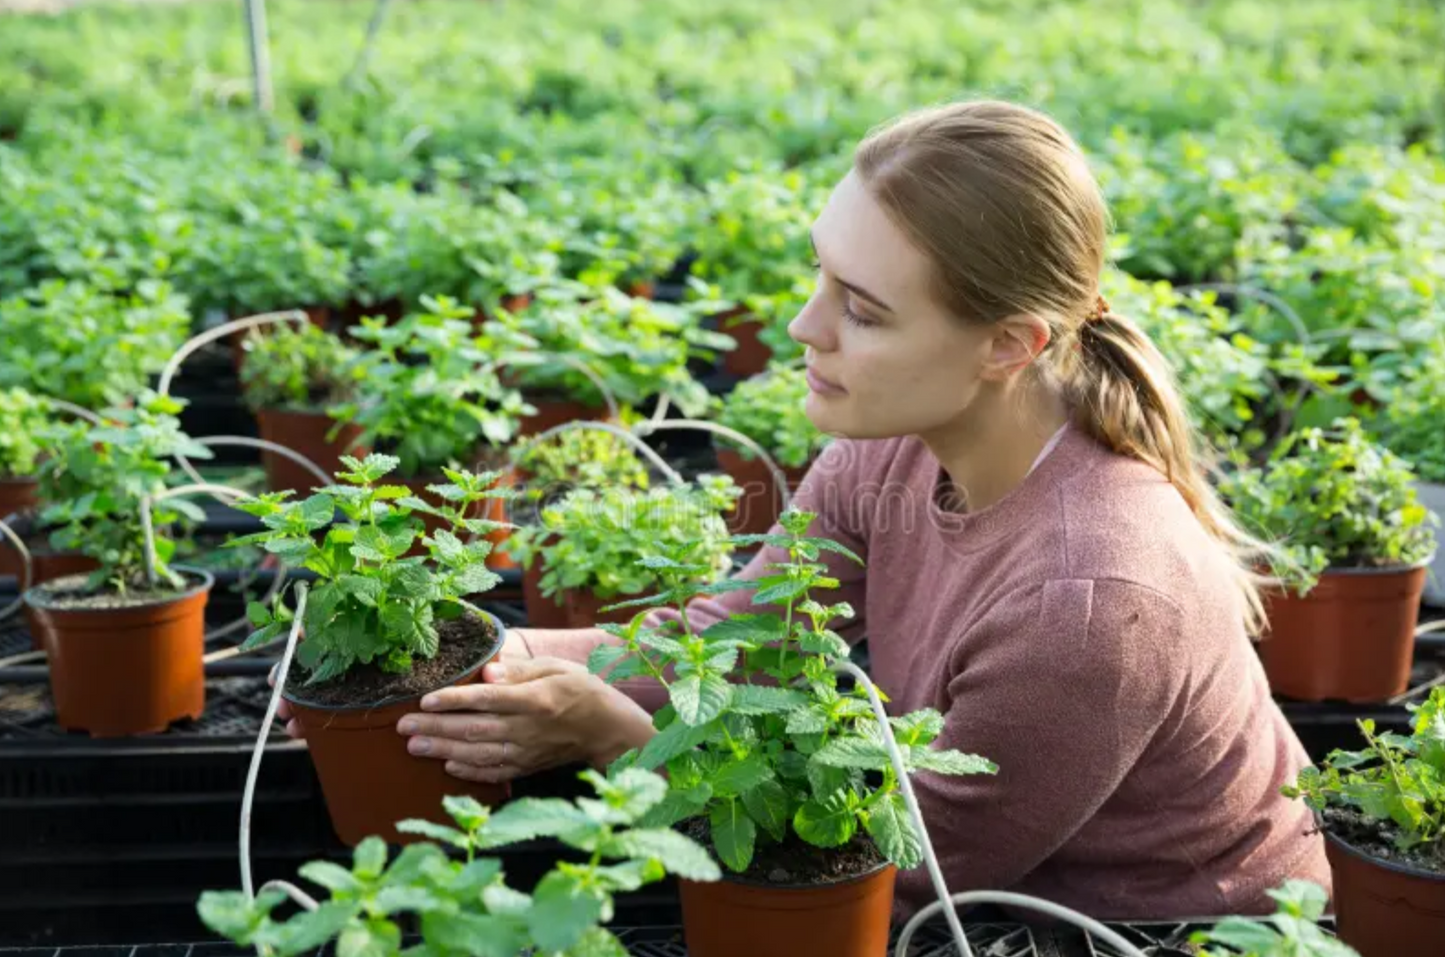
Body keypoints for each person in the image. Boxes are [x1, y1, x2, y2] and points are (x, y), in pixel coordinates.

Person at [281, 100, 1331, 919]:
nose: (801, 325)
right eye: (820, 277)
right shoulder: (893, 451)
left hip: (1158, 927)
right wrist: (500, 658)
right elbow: (741, 641)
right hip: (998, 887)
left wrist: (619, 739)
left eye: (862, 310)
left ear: (1008, 345)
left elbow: (894, 859)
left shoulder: (1090, 600)